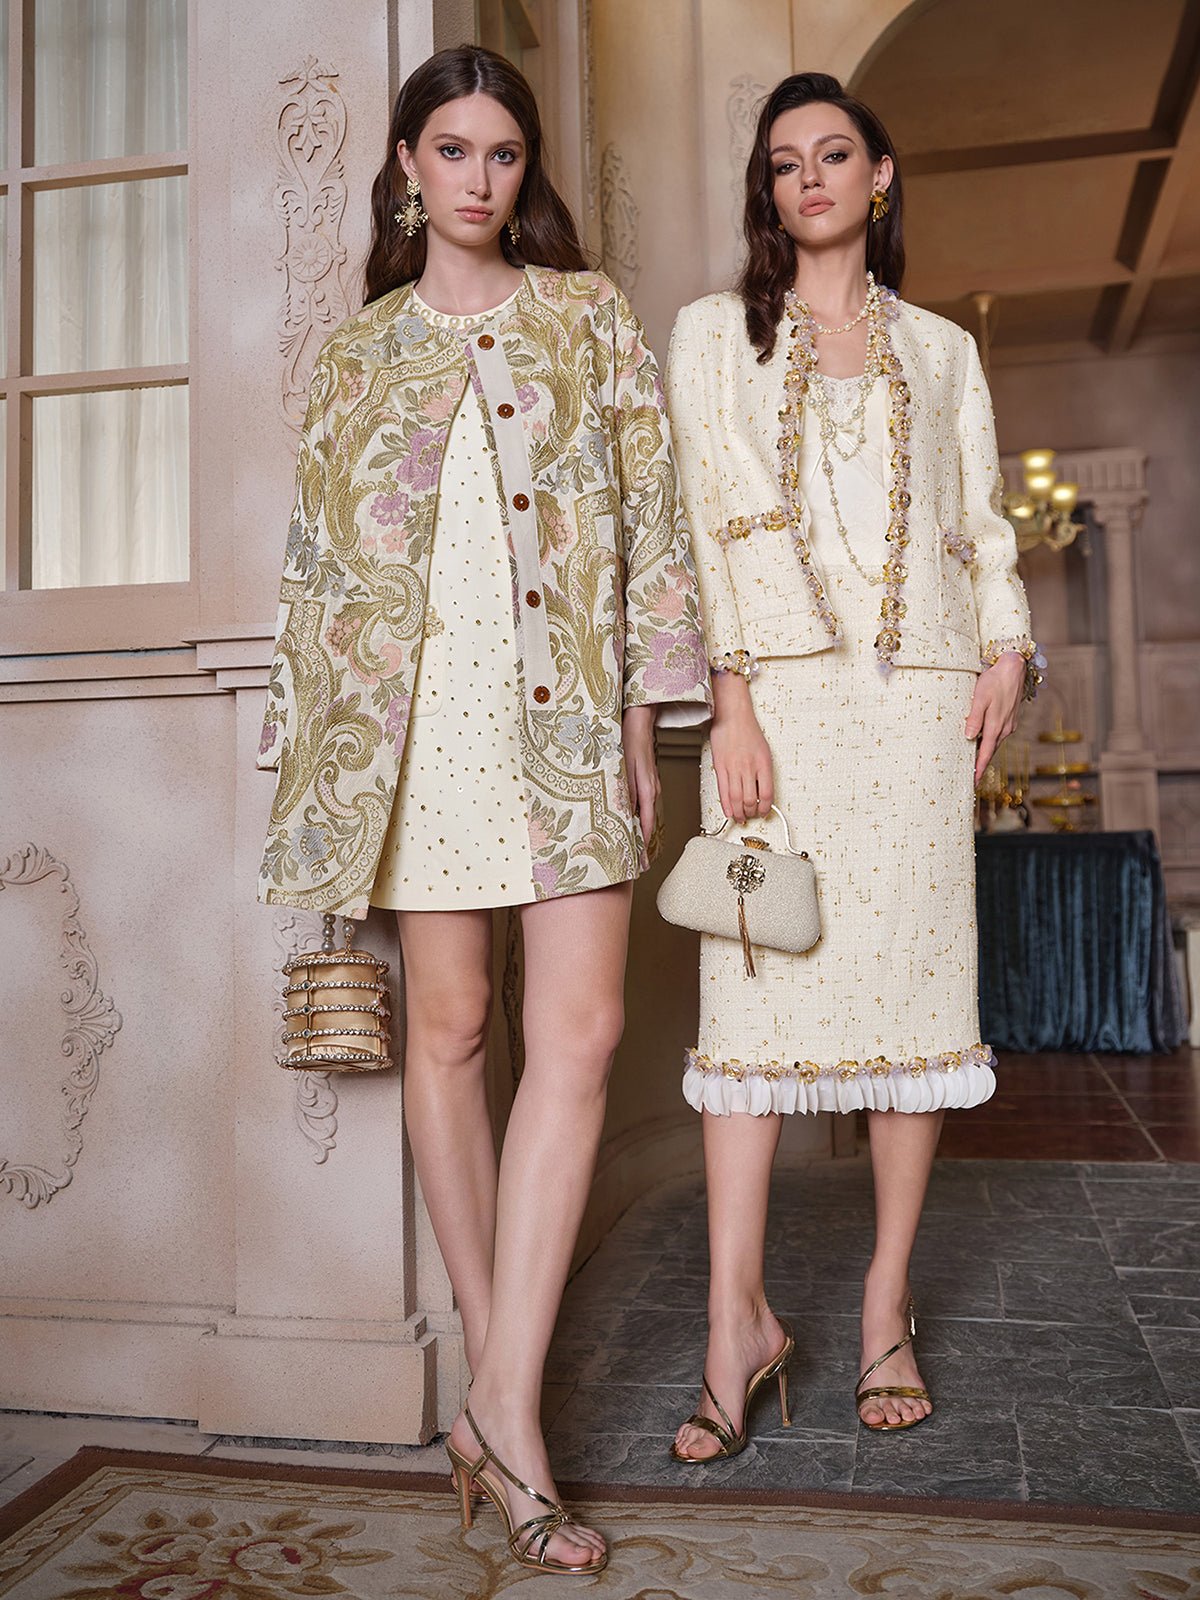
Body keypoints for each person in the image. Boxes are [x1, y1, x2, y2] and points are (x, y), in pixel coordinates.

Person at [256, 44, 710, 1573]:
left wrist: (647, 717)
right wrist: (321, 786)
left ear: (526, 175)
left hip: (565, 717)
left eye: (502, 153)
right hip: (413, 730)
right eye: (449, 149)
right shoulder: (356, 356)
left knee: (574, 1035)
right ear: (406, 167)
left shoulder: (588, 321)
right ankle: (508, 1415)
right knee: (448, 1032)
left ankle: (496, 1401)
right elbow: (317, 587)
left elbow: (653, 527)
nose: (475, 176)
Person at [663, 71, 1040, 1456]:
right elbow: (699, 527)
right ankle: (735, 1323)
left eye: (834, 156)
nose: (808, 178)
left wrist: (1008, 650)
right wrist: (732, 705)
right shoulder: (712, 334)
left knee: (916, 1016)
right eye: (782, 164)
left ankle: (886, 1309)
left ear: (881, 176)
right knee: (751, 1016)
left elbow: (982, 520)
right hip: (782, 717)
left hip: (921, 709)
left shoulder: (942, 350)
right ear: (766, 193)